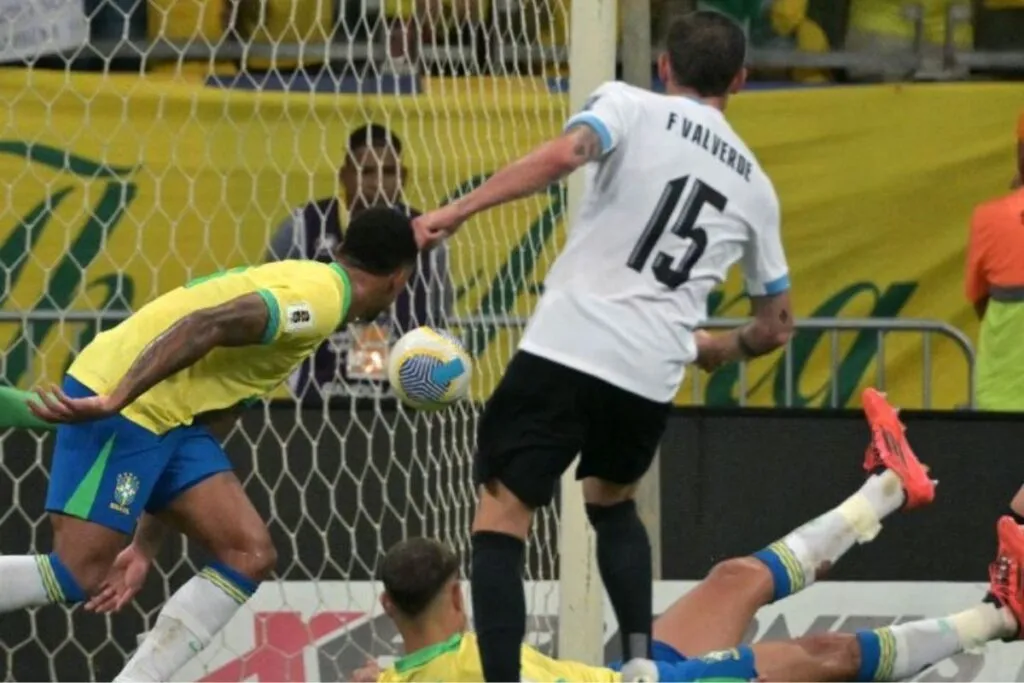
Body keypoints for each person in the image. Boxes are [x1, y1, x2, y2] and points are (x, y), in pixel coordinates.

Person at [413, 10, 793, 681]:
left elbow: (568, 154)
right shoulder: (757, 188)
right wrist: (716, 346)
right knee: (612, 501)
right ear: (741, 79)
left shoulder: (629, 106)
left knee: (503, 516)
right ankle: (641, 663)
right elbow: (774, 327)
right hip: (648, 371)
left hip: (571, 342)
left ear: (664, 66)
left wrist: (457, 210)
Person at [358, 390, 1024, 683]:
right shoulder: (455, 655)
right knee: (824, 654)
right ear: (462, 595)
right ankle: (1000, 613)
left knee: (732, 578)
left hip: (624, 675)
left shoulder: (401, 675)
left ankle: (889, 488)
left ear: (389, 605)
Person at [10, 207, 418, 682]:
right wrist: (117, 397)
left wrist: (144, 547)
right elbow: (207, 323)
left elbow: (217, 407)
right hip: (126, 401)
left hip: (171, 419)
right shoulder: (320, 300)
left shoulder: (313, 287)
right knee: (76, 574)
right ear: (398, 279)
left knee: (248, 552)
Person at [266, 124, 451, 401]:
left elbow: (438, 314)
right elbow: (273, 305)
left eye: (388, 172)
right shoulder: (304, 226)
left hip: (400, 401)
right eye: (366, 171)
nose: (377, 182)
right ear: (344, 175)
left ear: (404, 176)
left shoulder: (426, 237)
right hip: (312, 396)